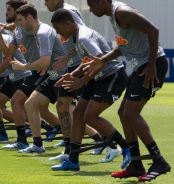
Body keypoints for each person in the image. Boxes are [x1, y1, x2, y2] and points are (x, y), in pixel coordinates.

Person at [84, 0, 170, 182]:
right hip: (141, 66)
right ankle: (136, 164)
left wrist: (153, 64)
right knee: (123, 113)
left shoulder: (122, 12)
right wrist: (103, 60)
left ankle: (159, 161)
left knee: (130, 113)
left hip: (151, 66)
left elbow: (153, 30)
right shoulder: (114, 17)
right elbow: (123, 46)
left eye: (91, 5)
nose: (91, 10)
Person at [50, 8, 130, 171]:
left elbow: (100, 61)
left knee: (90, 117)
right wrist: (71, 75)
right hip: (98, 78)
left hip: (112, 76)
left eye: (59, 30)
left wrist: (82, 81)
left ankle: (125, 146)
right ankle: (73, 160)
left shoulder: (85, 37)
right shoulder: (75, 37)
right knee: (78, 114)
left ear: (68, 24)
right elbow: (87, 62)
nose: (59, 34)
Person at [0, 0, 60, 150]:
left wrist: (29, 65)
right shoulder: (19, 30)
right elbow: (7, 52)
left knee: (21, 101)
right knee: (44, 108)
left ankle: (26, 140)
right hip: (36, 71)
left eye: (9, 10)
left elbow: (46, 52)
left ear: (22, 15)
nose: (6, 13)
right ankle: (60, 133)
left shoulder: (35, 29)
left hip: (43, 71)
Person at [0, 22, 31, 141]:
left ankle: (31, 134)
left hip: (22, 76)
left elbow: (7, 62)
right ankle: (2, 134)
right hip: (12, 77)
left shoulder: (4, 41)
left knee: (21, 106)